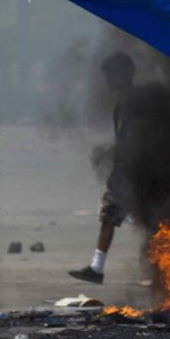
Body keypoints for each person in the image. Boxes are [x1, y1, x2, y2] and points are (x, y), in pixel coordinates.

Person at [69, 52, 136, 284]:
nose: (107, 81)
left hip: (129, 172)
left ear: (121, 75)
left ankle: (97, 268)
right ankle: (97, 267)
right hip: (133, 169)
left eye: (110, 76)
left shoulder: (129, 102)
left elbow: (132, 139)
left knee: (110, 215)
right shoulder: (129, 101)